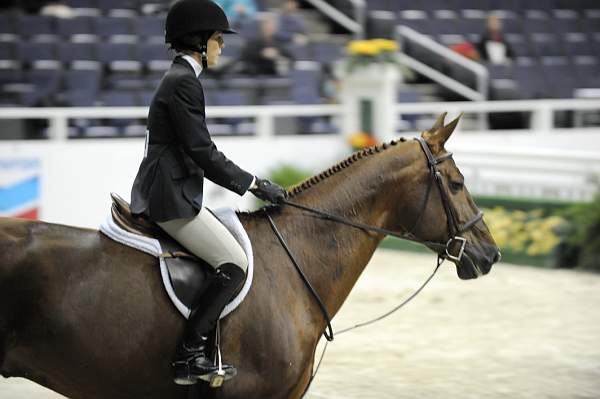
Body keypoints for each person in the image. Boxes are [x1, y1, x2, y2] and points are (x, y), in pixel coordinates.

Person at [129, 0, 286, 386]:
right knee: (234, 264)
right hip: (171, 199)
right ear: (199, 42)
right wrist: (254, 184)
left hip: (172, 190)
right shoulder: (183, 82)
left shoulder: (180, 79)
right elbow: (204, 152)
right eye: (218, 39)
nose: (222, 47)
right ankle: (189, 355)